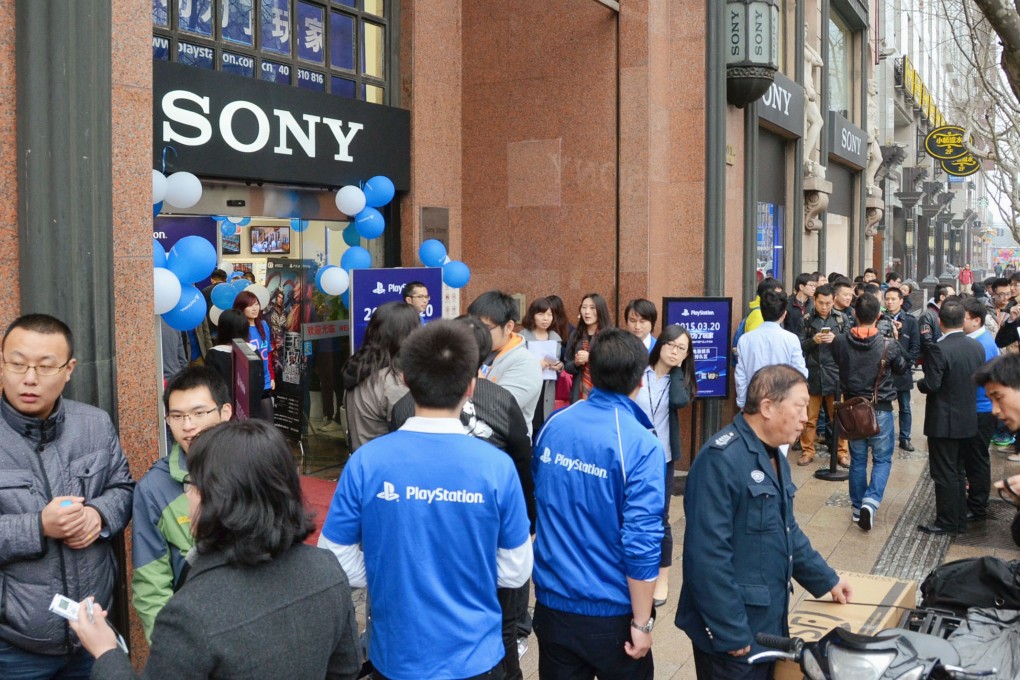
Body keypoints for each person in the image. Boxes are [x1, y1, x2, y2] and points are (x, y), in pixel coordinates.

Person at [319, 320, 533, 680]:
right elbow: (515, 571)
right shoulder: (497, 466)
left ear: (404, 380)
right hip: (476, 656)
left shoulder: (367, 462)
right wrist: (467, 572)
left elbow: (335, 556)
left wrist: (388, 570)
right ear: (470, 386)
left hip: (396, 657)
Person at [72, 420, 361, 680]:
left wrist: (106, 653)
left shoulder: (189, 614)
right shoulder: (326, 569)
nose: (187, 496)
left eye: (193, 485)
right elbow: (345, 671)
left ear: (222, 499)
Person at [677, 365, 852, 679]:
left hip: (764, 624)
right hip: (734, 634)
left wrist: (826, 579)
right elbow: (707, 556)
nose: (805, 416)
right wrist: (730, 630)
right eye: (799, 406)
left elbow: (786, 529)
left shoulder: (772, 454)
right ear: (768, 407)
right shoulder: (721, 460)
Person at [391, 315, 534, 677]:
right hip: (488, 548)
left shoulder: (392, 424)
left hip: (418, 557)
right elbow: (523, 467)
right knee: (502, 635)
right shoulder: (499, 418)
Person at [0, 314, 134, 679]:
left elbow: (122, 488)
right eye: (16, 364)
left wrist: (100, 516)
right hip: (14, 644)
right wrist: (38, 526)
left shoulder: (94, 424)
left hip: (92, 633)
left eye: (45, 367)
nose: (29, 378)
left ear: (69, 369)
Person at [531, 328, 664, 679]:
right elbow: (642, 540)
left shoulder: (554, 425)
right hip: (610, 614)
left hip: (552, 605)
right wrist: (642, 622)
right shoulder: (641, 443)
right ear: (641, 377)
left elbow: (538, 500)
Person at [131, 366, 233, 642]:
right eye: (177, 416)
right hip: (197, 637)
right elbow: (151, 586)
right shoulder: (153, 488)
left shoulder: (252, 467)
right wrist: (173, 654)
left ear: (225, 412)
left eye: (199, 413)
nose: (188, 426)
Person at [831, 294, 909, 530]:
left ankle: (857, 508)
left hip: (853, 410)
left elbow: (838, 362)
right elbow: (903, 368)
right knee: (882, 459)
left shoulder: (840, 342)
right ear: (878, 316)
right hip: (880, 410)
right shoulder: (888, 345)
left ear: (855, 314)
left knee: (857, 460)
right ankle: (870, 501)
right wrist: (896, 339)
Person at [632, 324, 695, 609]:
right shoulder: (638, 373)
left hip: (663, 458)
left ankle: (663, 577)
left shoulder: (680, 382)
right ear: (661, 344)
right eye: (671, 344)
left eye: (682, 349)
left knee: (661, 517)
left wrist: (677, 368)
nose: (675, 351)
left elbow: (680, 402)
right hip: (633, 454)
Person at [917, 298, 986, 535]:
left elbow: (933, 384)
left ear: (940, 321)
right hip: (968, 417)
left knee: (944, 472)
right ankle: (958, 518)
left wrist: (921, 384)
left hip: (943, 420)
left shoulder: (939, 348)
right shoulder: (975, 346)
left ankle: (947, 521)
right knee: (958, 471)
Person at [342, 301, 420, 450]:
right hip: (386, 463)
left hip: (364, 459)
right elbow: (412, 436)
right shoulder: (391, 380)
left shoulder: (361, 368)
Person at [468, 290, 544, 438]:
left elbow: (498, 409)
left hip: (504, 446)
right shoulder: (480, 351)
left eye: (485, 328)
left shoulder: (526, 363)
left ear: (508, 327)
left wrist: (470, 368)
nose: (477, 333)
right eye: (473, 326)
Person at [798, 284, 850, 467]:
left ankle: (842, 452)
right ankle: (807, 451)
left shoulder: (841, 319)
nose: (824, 307)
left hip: (835, 374)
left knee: (839, 417)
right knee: (809, 418)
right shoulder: (805, 319)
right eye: (821, 303)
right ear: (814, 301)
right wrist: (813, 340)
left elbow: (849, 344)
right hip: (813, 374)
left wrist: (836, 340)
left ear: (833, 301)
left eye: (828, 303)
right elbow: (798, 346)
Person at [734, 290, 807, 410]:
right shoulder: (791, 339)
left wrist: (742, 403)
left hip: (754, 401)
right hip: (783, 401)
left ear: (761, 312)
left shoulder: (745, 339)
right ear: (784, 314)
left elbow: (740, 376)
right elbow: (800, 372)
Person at [962, 297, 999, 524]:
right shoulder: (977, 339)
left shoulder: (982, 344)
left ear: (976, 321)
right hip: (977, 407)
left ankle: (978, 506)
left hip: (982, 409)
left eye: (963, 317)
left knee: (978, 459)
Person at [883, 287, 921, 451]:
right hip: (884, 371)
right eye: (887, 299)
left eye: (893, 299)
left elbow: (915, 347)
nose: (890, 302)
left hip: (903, 370)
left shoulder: (911, 321)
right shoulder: (881, 319)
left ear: (901, 301)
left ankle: (905, 438)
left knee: (904, 406)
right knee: (884, 406)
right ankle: (885, 436)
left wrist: (907, 363)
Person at [519, 297, 564, 429]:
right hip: (529, 386)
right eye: (541, 314)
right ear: (532, 316)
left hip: (547, 387)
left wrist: (559, 366)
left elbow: (560, 361)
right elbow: (517, 363)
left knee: (544, 422)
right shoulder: (523, 337)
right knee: (528, 423)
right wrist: (535, 365)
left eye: (549, 315)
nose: (546, 318)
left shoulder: (555, 337)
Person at [232, 290, 274, 421]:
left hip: (265, 381)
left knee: (268, 423)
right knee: (250, 424)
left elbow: (267, 353)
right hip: (246, 384)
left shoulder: (263, 325)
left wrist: (271, 376)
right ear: (241, 308)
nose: (255, 308)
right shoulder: (238, 330)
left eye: (256, 304)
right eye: (250, 306)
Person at [563, 293, 614, 403]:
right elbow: (567, 365)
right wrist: (576, 363)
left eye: (592, 308)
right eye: (584, 307)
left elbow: (614, 365)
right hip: (578, 395)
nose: (587, 312)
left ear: (601, 310)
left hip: (603, 394)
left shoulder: (610, 335)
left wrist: (591, 358)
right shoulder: (575, 334)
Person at [204, 309, 248, 390]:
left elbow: (211, 385)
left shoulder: (214, 354)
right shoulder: (252, 351)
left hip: (224, 400)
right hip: (249, 401)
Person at [919, 283, 955, 354]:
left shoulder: (950, 312)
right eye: (952, 296)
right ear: (942, 297)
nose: (955, 298)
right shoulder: (927, 316)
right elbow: (927, 342)